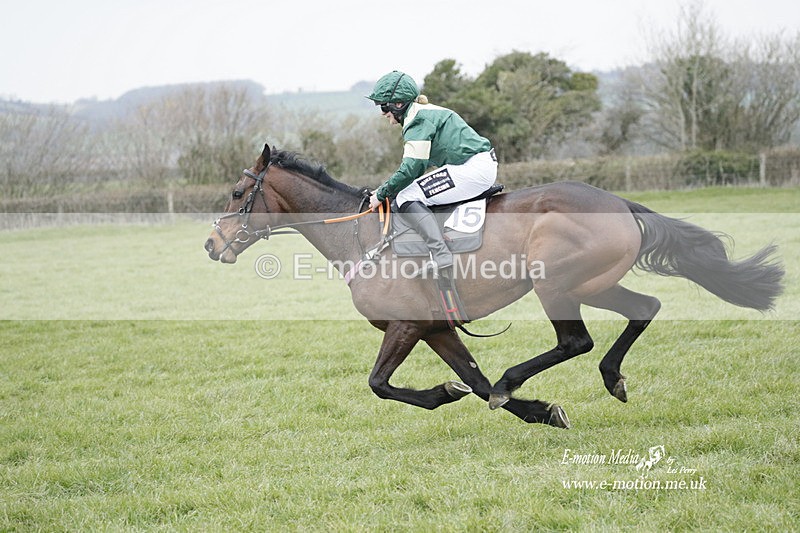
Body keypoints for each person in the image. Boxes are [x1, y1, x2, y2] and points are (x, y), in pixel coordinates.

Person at [366, 70, 497, 276]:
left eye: (384, 106)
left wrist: (382, 194)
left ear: (398, 104)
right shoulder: (422, 112)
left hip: (472, 169)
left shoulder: (417, 120)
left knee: (406, 196)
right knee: (407, 191)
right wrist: (385, 189)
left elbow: (412, 168)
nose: (382, 112)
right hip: (474, 166)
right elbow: (419, 167)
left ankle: (440, 255)